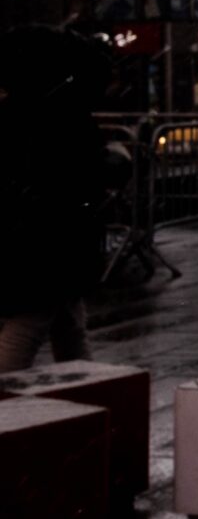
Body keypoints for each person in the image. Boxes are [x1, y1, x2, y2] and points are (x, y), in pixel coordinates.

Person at [0, 27, 108, 372]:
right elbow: (82, 179)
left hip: (38, 236)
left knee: (67, 326)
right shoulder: (63, 117)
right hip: (52, 239)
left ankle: (85, 401)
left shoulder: (23, 111)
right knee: (32, 326)